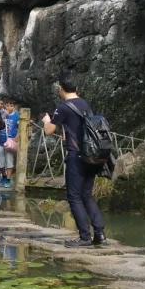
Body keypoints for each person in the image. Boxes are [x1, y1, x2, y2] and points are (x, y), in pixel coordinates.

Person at [40, 75, 107, 247]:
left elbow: (48, 131)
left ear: (61, 89)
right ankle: (99, 234)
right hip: (91, 155)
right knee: (87, 195)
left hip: (76, 156)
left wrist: (47, 120)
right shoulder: (84, 104)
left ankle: (84, 237)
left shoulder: (62, 108)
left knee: (74, 197)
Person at [0, 100, 20, 188]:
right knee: (0, 161)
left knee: (9, 160)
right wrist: (4, 114)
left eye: (11, 105)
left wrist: (17, 137)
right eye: (7, 105)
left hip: (11, 141)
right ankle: (3, 176)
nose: (9, 107)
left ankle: (8, 179)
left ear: (14, 107)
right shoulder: (2, 114)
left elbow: (20, 127)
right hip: (1, 140)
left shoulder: (17, 116)